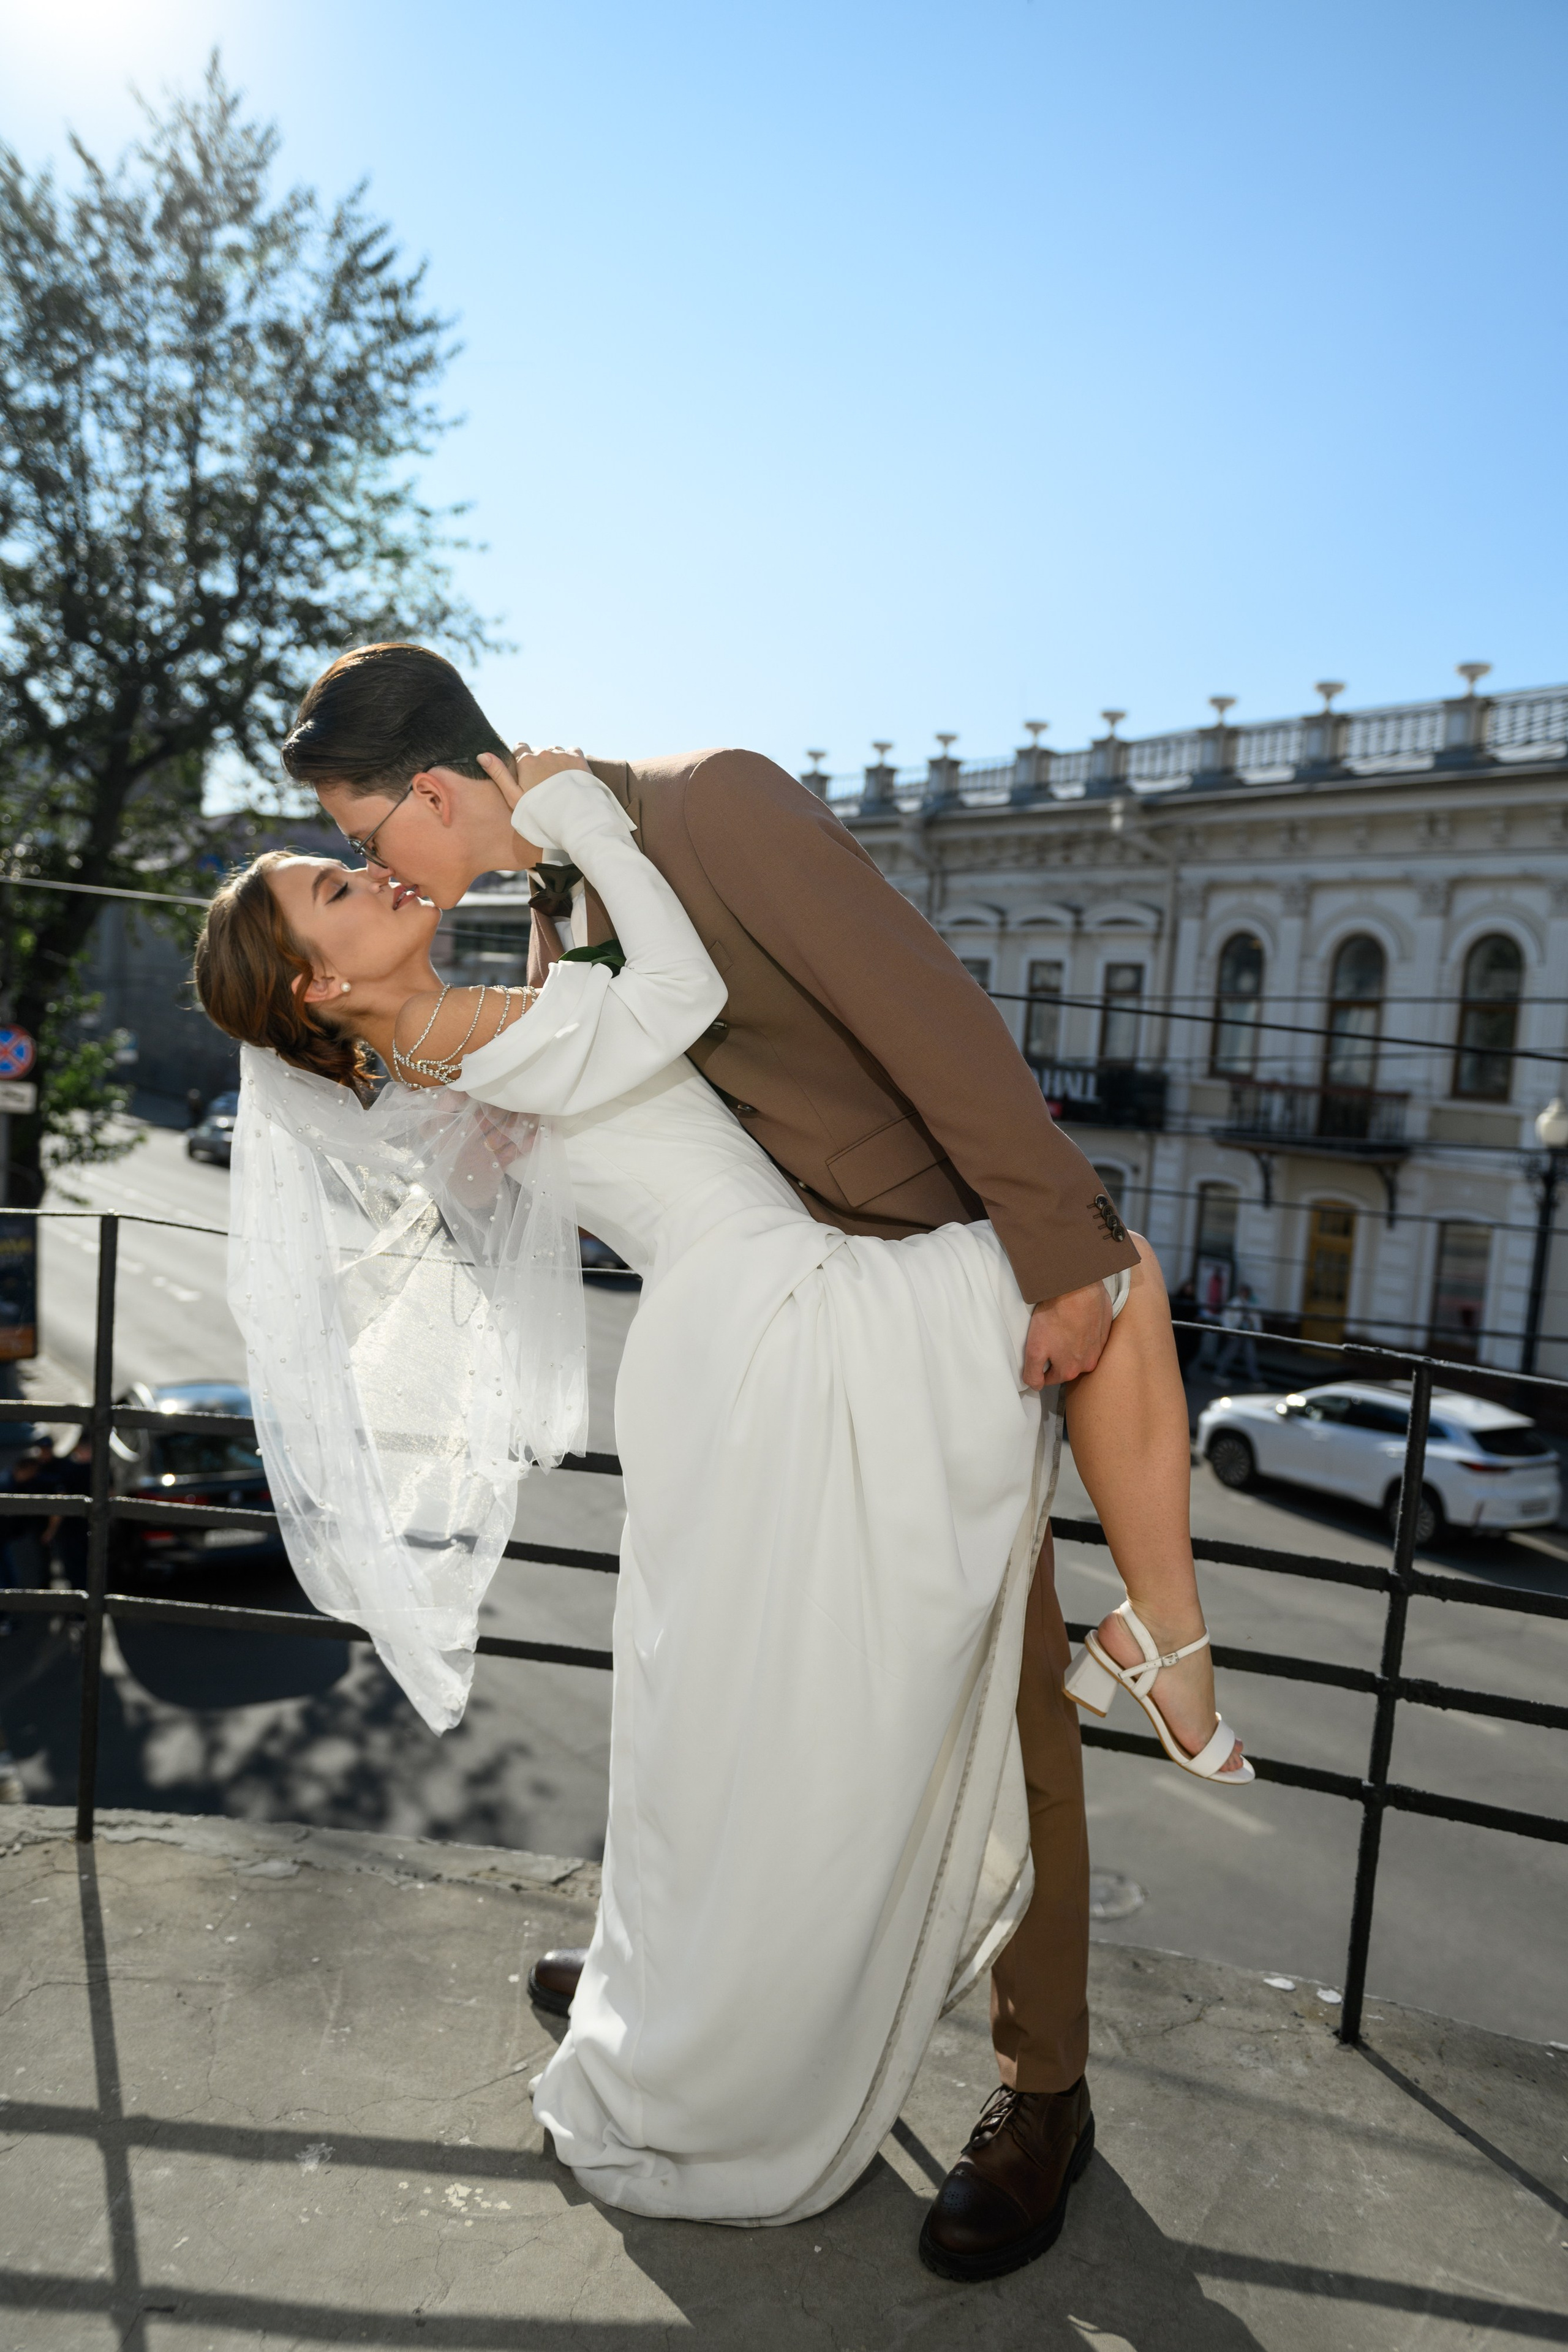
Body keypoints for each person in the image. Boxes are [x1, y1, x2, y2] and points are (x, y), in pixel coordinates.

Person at [197, 701, 1250, 2266]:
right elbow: (644, 1031)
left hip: (847, 1289)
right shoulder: (512, 966)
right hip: (794, 1328)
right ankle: (710, 1983)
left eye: (361, 842)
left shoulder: (697, 820)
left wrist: (1038, 1233)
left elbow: (929, 1022)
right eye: (346, 876)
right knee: (749, 1709)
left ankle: (1029, 2076)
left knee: (811, 1699)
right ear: (322, 979)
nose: (377, 867)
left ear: (430, 788)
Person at [1215, 1284, 1264, 1387]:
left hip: (1247, 1334)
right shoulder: (1235, 1303)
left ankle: (1256, 1379)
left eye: (1247, 1292)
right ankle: (1219, 1374)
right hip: (1236, 1333)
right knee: (1229, 1354)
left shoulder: (1251, 1304)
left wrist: (1256, 1330)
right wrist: (1229, 1330)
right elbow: (1226, 1318)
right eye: (1244, 1292)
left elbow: (1256, 1319)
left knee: (1251, 1356)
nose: (1245, 1294)